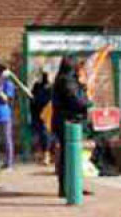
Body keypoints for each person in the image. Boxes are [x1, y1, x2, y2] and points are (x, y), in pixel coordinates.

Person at [51, 56, 91, 198]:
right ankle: (68, 188)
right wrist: (85, 93)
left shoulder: (65, 80)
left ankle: (72, 185)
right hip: (68, 122)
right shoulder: (67, 81)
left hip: (66, 121)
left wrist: (82, 86)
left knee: (69, 156)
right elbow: (78, 101)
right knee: (68, 156)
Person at [30, 70, 54, 166]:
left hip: (47, 115)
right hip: (37, 113)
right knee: (39, 134)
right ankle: (41, 154)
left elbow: (49, 100)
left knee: (46, 134)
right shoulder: (37, 86)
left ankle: (47, 155)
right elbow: (33, 99)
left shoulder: (51, 88)